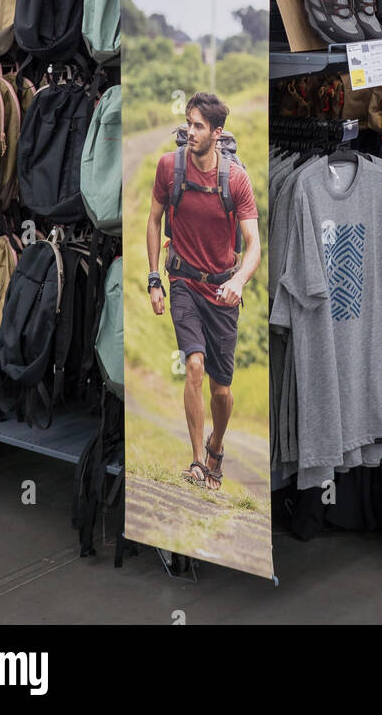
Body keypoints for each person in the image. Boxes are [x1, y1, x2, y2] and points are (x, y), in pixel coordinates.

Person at [146, 92, 260, 491]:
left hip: (222, 291)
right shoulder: (168, 168)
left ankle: (216, 445)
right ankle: (197, 461)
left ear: (217, 132)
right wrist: (154, 279)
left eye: (198, 126)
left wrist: (238, 281)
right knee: (194, 364)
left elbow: (253, 244)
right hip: (183, 283)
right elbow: (154, 220)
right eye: (188, 124)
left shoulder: (236, 180)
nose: (189, 132)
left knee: (222, 390)